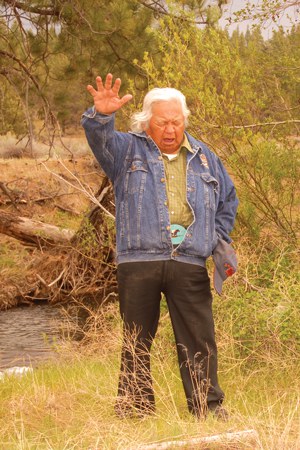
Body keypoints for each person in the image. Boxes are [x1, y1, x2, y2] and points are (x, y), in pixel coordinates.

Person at [81, 73, 238, 420]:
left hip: (190, 260)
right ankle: (135, 410)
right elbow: (99, 138)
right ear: (146, 122)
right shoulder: (126, 150)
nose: (170, 129)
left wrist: (213, 237)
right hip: (139, 261)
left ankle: (208, 409)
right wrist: (102, 116)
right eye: (162, 122)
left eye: (176, 121)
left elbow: (228, 199)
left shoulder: (205, 157)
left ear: (184, 120)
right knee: (136, 339)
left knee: (199, 339)